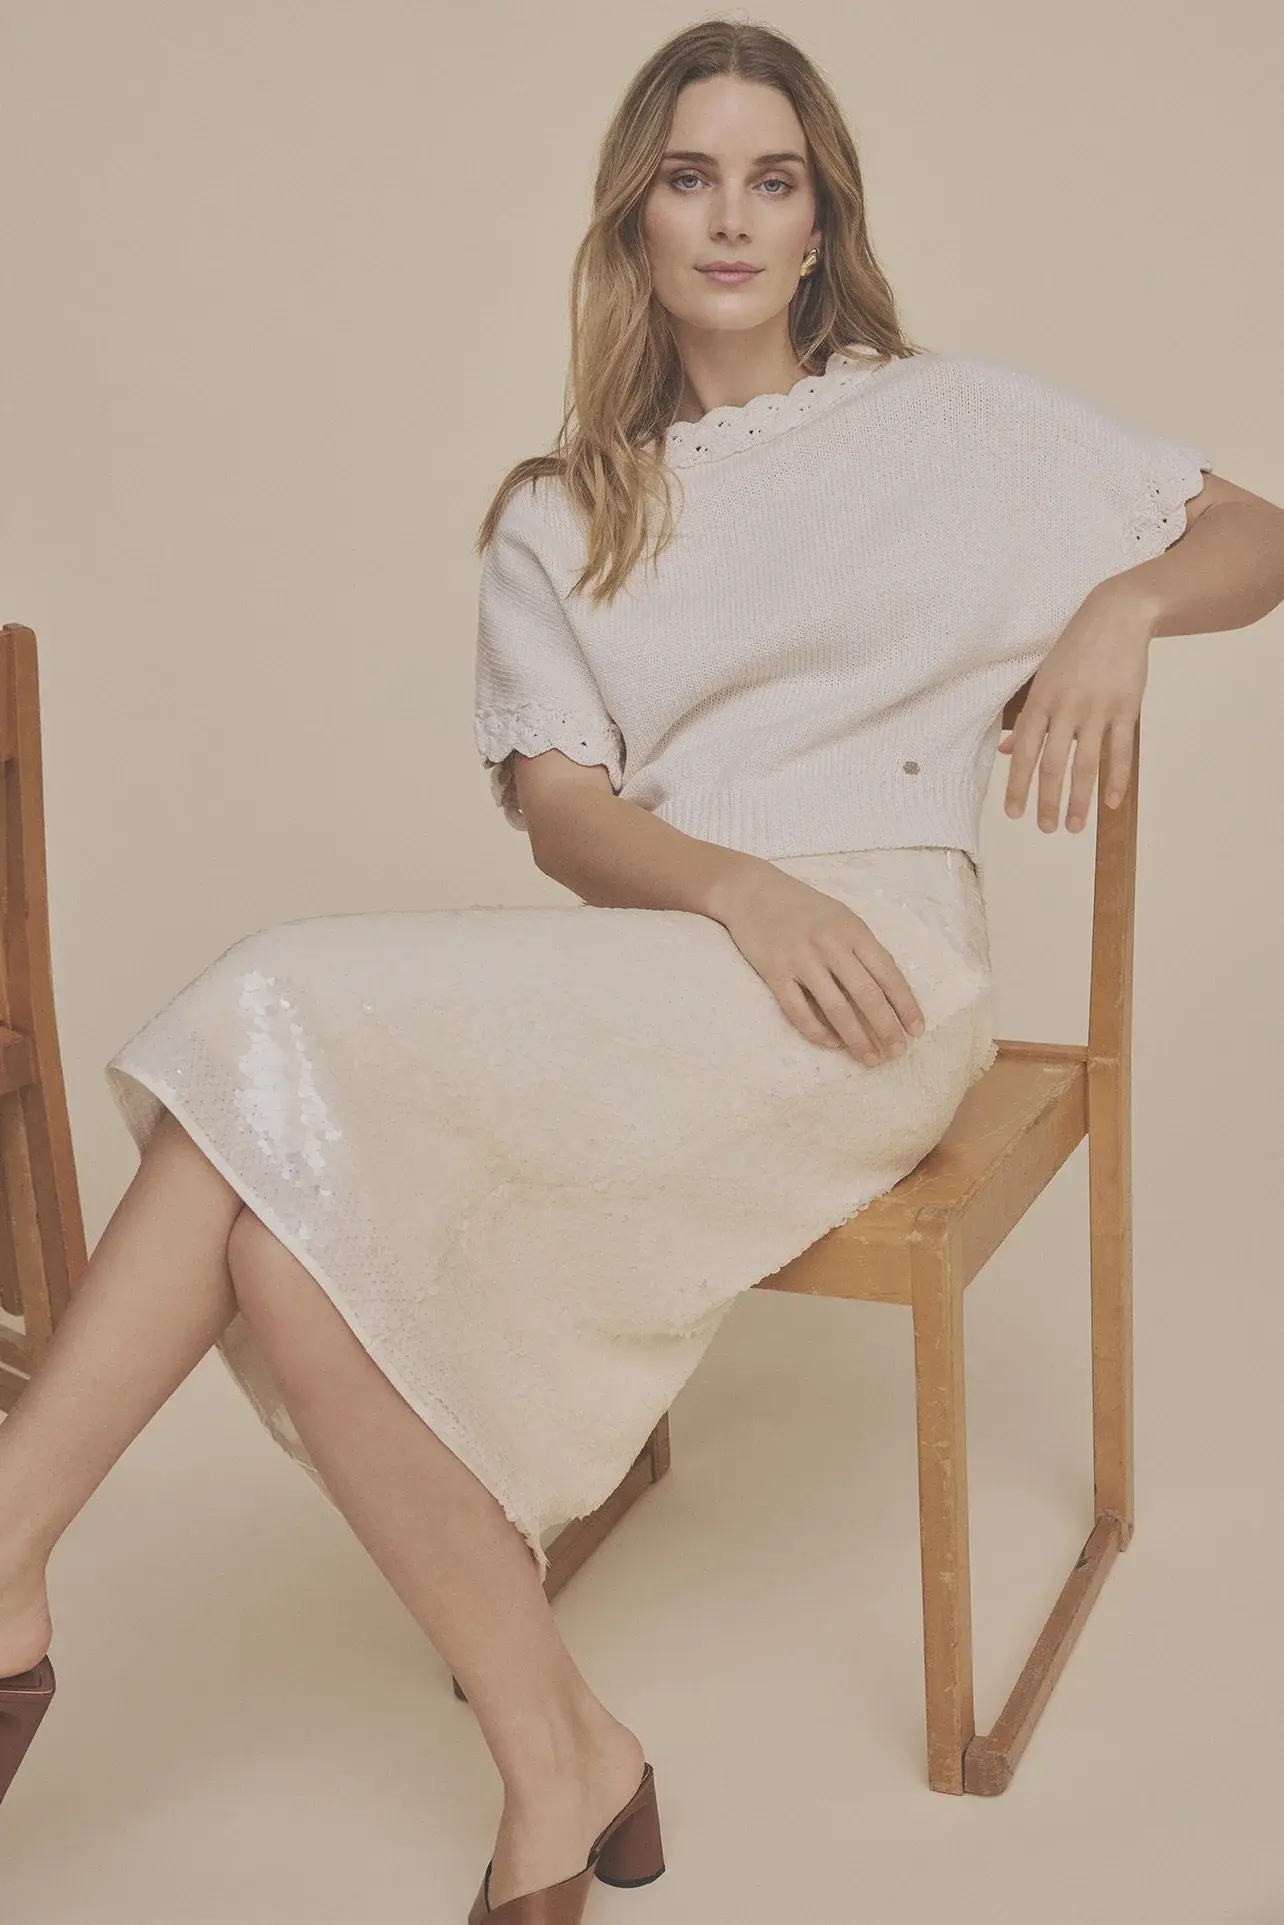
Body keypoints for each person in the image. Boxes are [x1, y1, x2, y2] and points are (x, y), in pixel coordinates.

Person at [3, 19, 1280, 1925]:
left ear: (824, 221)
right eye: (692, 179)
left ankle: (4, 1572)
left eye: (774, 180)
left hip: (876, 990)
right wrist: (738, 893)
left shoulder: (953, 425)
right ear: (637, 219)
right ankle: (564, 1761)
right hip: (678, 967)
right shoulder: (562, 507)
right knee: (276, 1238)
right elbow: (560, 812)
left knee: (264, 1006)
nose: (733, 218)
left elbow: (1256, 534)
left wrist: (1122, 601)